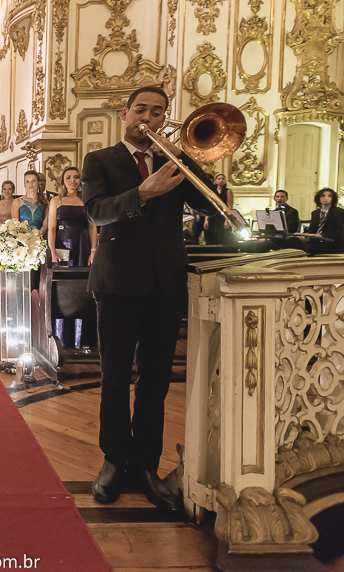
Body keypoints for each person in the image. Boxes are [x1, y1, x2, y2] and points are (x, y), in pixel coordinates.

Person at [81, 85, 217, 513]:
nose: (148, 117)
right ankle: (113, 460)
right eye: (141, 109)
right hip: (117, 283)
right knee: (116, 378)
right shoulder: (100, 160)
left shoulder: (174, 163)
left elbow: (208, 202)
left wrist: (184, 158)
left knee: (156, 382)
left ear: (163, 119)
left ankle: (145, 464)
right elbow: (96, 211)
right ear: (125, 114)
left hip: (165, 284)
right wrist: (142, 193)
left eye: (157, 112)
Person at [47, 166, 98, 351]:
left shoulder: (87, 200)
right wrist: (52, 250)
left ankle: (82, 339)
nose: (72, 180)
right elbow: (52, 228)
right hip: (62, 247)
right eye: (68, 177)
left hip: (83, 246)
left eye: (76, 177)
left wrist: (93, 250)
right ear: (63, 180)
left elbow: (93, 227)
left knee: (82, 289)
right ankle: (60, 338)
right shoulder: (56, 200)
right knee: (63, 289)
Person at [194, 173, 233, 245]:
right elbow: (209, 206)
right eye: (219, 179)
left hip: (222, 216)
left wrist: (227, 220)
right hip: (212, 216)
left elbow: (229, 206)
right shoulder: (212, 191)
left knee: (222, 237)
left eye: (223, 178)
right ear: (215, 181)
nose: (221, 180)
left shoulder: (228, 191)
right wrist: (206, 220)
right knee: (210, 237)